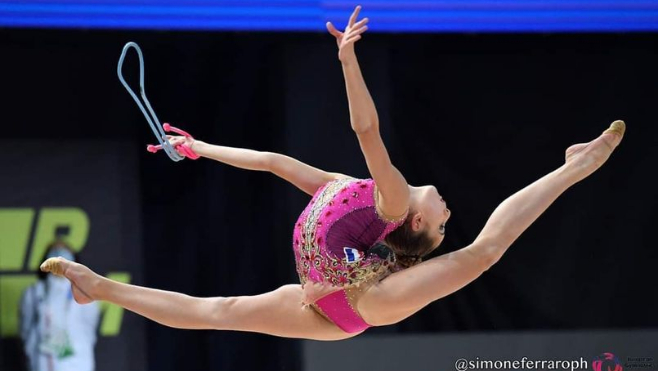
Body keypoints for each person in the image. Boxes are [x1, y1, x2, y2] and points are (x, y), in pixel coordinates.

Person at [40, 6, 625, 341]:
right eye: (448, 218)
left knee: (483, 254)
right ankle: (98, 286)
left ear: (415, 221)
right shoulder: (349, 193)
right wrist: (201, 148)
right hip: (330, 299)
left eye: (443, 222)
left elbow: (366, 131)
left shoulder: (393, 200)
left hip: (356, 299)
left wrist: (348, 60)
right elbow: (274, 163)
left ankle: (576, 168)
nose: (448, 211)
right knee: (213, 312)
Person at [19, 241, 101, 371]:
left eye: (64, 252)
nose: (59, 256)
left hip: (78, 361)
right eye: (54, 252)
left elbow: (90, 326)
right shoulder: (34, 292)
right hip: (43, 362)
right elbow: (26, 329)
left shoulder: (86, 291)